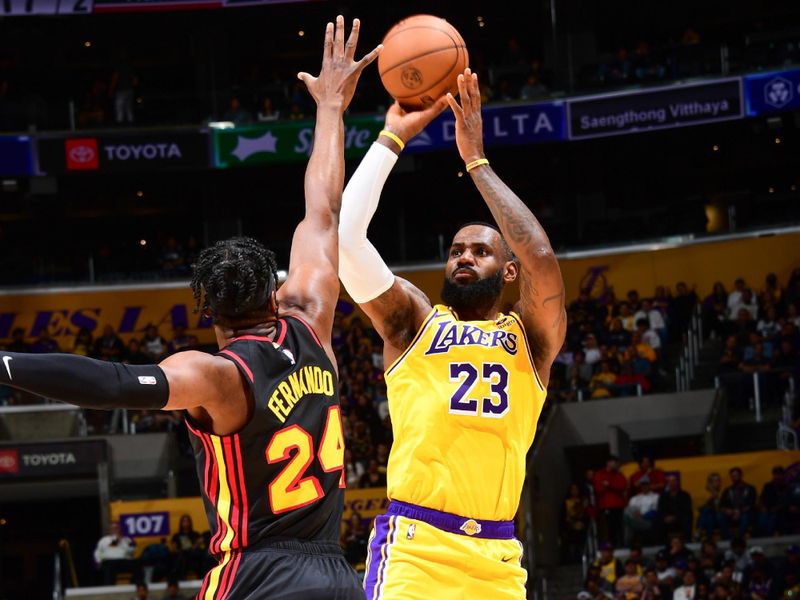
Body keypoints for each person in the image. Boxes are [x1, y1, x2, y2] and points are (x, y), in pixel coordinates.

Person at [0, 16, 380, 600]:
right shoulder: (311, 314)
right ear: (273, 291)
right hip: (336, 575)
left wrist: (7, 365)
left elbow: (112, 384)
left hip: (257, 573)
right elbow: (323, 209)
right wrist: (330, 108)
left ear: (210, 314)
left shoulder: (218, 375)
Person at [338, 68, 565, 599]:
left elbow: (541, 258)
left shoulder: (531, 339)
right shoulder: (414, 320)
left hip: (497, 555)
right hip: (416, 548)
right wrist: (390, 139)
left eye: (481, 251)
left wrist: (476, 162)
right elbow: (346, 239)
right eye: (457, 250)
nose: (464, 256)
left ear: (508, 272)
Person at [93, 521, 139, 585]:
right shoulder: (104, 540)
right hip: (109, 562)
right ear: (109, 530)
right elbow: (97, 552)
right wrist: (99, 561)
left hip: (124, 561)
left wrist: (122, 541)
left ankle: (135, 585)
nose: (115, 530)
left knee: (137, 564)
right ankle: (109, 588)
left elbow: (132, 550)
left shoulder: (127, 539)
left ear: (120, 529)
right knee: (109, 567)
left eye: (116, 528)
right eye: (113, 528)